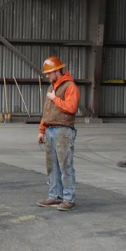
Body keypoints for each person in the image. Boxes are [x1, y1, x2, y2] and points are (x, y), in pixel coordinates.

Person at [36, 56, 80, 211]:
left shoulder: (70, 87)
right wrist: (42, 130)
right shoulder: (51, 87)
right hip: (50, 129)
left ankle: (69, 199)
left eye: (49, 73)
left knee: (65, 165)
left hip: (63, 130)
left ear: (57, 71)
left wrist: (55, 99)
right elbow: (46, 111)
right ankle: (55, 196)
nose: (47, 76)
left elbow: (71, 107)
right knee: (52, 166)